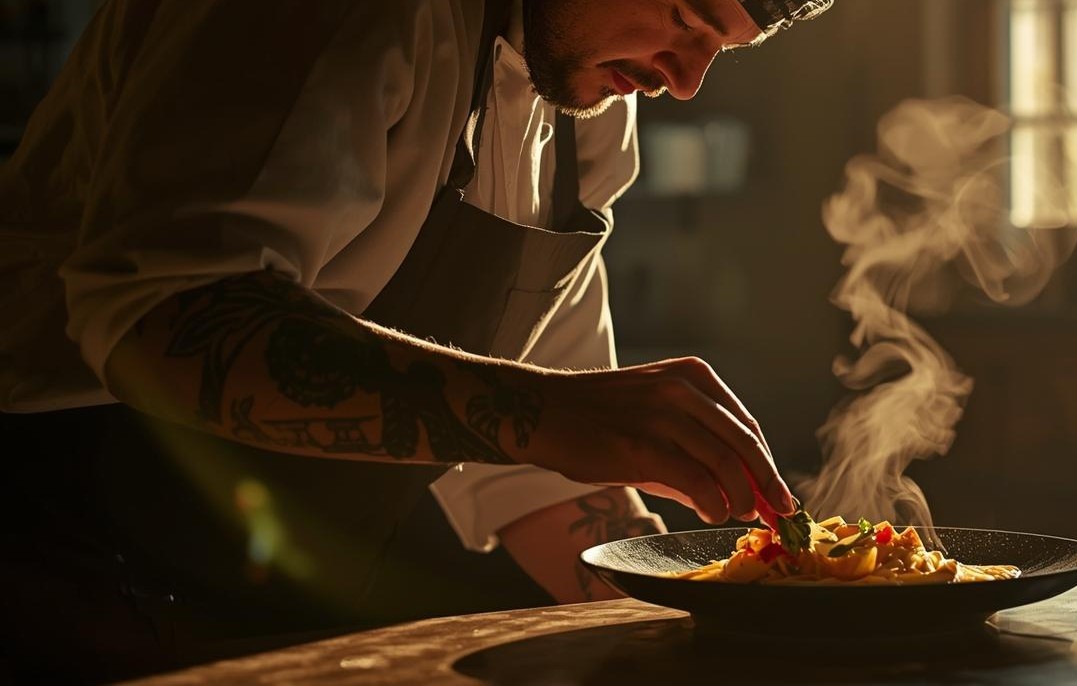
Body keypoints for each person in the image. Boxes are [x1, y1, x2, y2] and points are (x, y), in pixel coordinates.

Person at [0, 0, 831, 680]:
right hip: (63, 560)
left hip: (268, 597)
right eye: (684, 16)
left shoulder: (587, 106)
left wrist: (719, 632)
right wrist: (546, 414)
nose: (684, 81)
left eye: (723, 46)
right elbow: (167, 316)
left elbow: (542, 480)